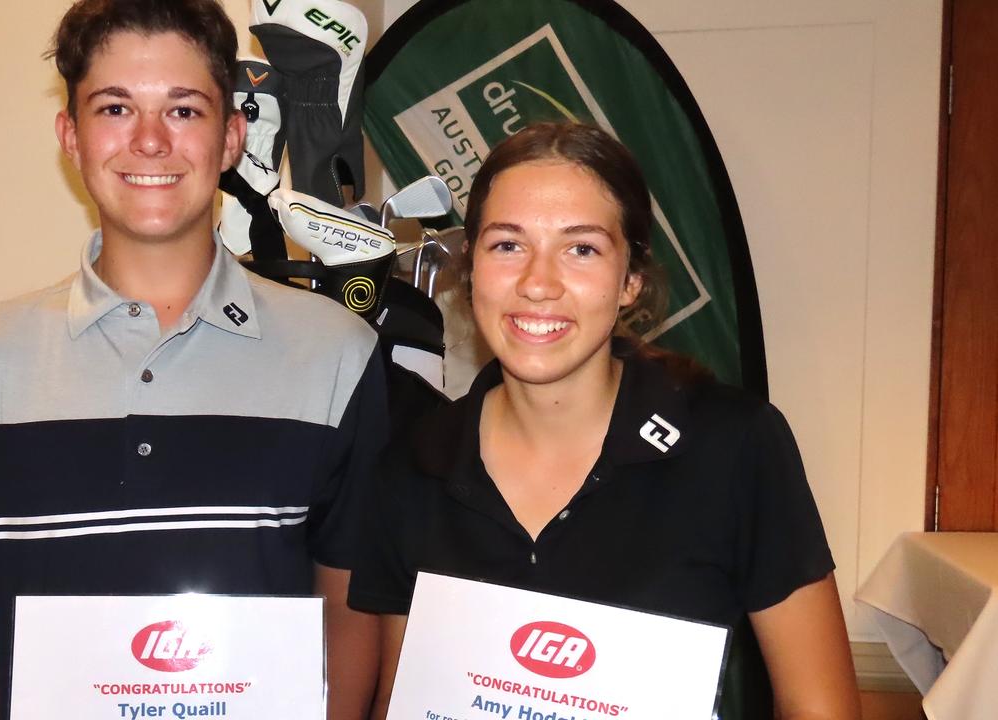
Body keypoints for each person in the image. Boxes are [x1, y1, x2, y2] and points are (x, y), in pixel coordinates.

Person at [0, 1, 384, 718]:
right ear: (71, 136)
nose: (151, 142)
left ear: (231, 137)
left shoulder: (337, 357)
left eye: (185, 111)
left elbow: (347, 600)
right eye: (115, 108)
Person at [348, 122, 860, 720]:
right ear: (472, 271)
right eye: (508, 245)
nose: (538, 284)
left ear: (630, 282)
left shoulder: (736, 446)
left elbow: (821, 706)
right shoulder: (412, 465)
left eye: (581, 249)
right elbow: (401, 700)